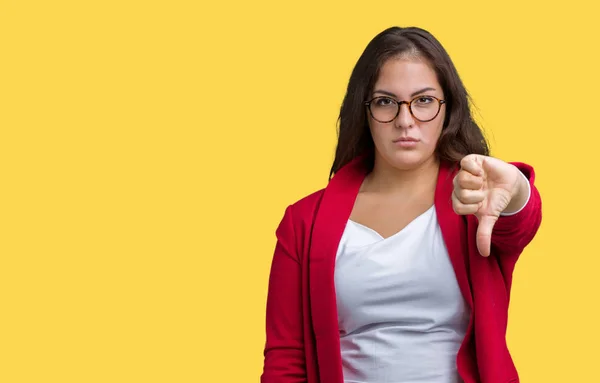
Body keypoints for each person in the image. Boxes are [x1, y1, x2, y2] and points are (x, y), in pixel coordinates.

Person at [260, 26, 542, 383]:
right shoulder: (303, 222)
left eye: (423, 100)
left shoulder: (474, 200)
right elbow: (286, 359)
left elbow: (519, 223)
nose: (405, 121)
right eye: (385, 102)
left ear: (447, 108)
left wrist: (517, 188)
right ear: (364, 111)